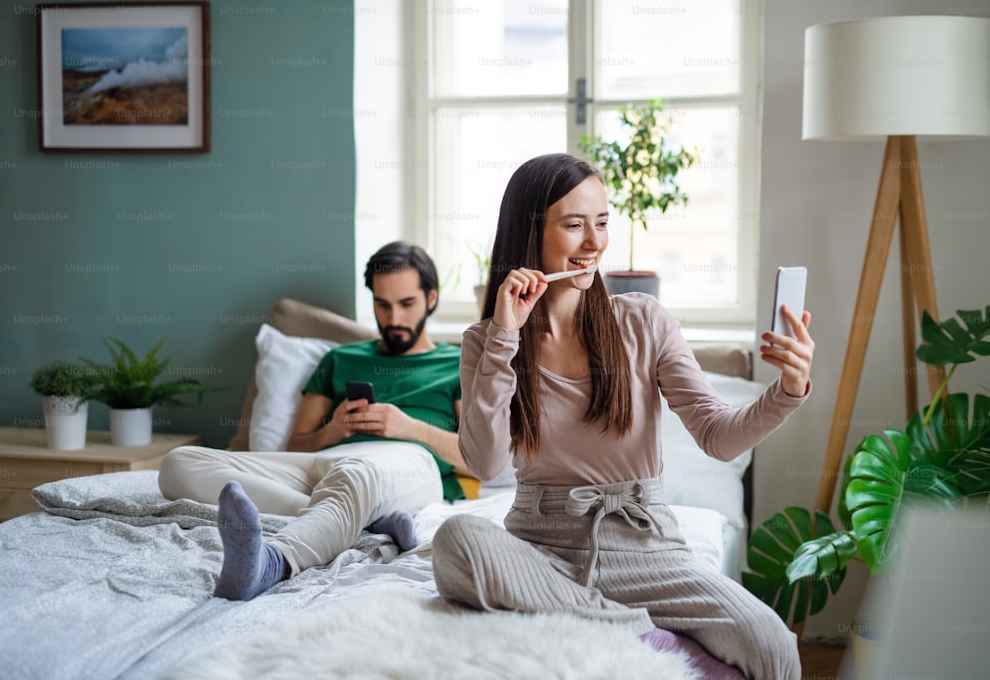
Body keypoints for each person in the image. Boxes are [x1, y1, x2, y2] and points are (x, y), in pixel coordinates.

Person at [430, 153, 814, 680]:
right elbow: (487, 462)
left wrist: (788, 390)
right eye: (574, 225)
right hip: (541, 549)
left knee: (771, 644)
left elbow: (719, 437)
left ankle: (601, 619)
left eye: (603, 222)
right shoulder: (488, 340)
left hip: (644, 545)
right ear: (529, 234)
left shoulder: (644, 321)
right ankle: (635, 630)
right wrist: (505, 336)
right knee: (458, 541)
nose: (595, 243)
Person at [159, 241, 471, 601]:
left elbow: (477, 460)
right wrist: (332, 430)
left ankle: (274, 561)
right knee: (178, 464)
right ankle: (366, 524)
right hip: (324, 464)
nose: (394, 319)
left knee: (356, 474)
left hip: (407, 463)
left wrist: (408, 428)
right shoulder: (341, 357)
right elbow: (296, 445)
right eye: (382, 305)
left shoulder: (457, 363)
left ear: (431, 299)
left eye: (407, 304)